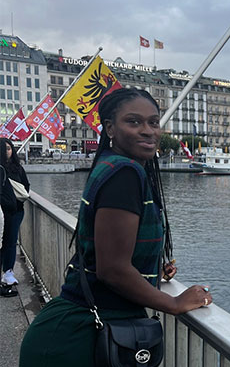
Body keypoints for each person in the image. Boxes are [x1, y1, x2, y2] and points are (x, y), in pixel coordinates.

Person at [20, 88, 212, 366]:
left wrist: (149, 270)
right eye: (133, 122)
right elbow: (111, 270)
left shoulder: (112, 166)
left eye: (153, 122)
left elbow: (104, 250)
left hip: (79, 327)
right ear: (110, 127)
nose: (148, 131)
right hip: (78, 338)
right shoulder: (125, 173)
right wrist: (173, 303)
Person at [0, 138, 30, 287]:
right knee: (2, 242)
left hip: (16, 210)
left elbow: (26, 185)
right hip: (2, 211)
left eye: (9, 148)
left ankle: (8, 272)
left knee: (11, 241)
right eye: (4, 148)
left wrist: (17, 200)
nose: (8, 151)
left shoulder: (17, 167)